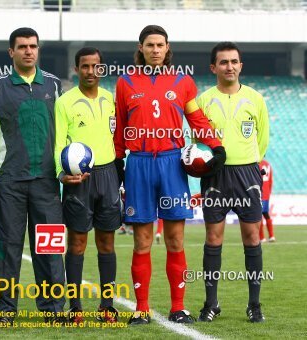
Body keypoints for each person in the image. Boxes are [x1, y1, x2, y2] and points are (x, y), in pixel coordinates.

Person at [113, 25, 226, 325]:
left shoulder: (183, 82)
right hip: (138, 165)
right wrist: (117, 161)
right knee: (142, 241)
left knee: (175, 239)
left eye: (160, 45)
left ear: (167, 47)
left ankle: (179, 307)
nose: (155, 50)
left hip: (172, 164)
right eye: (149, 45)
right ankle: (142, 308)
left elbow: (196, 118)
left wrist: (216, 145)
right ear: (141, 48)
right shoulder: (124, 83)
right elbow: (120, 126)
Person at [0, 27, 66, 325]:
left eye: (33, 46)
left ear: (38, 50)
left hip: (46, 181)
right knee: (6, 247)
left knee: (49, 247)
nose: (28, 51)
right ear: (11, 52)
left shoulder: (55, 86)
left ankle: (54, 310)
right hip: (8, 181)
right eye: (22, 47)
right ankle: (4, 311)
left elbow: (65, 133)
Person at [196, 42, 269, 323]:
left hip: (247, 174)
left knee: (252, 237)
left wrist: (248, 160)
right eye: (223, 62)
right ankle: (211, 304)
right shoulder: (203, 101)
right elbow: (197, 143)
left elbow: (262, 139)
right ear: (213, 67)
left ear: (240, 65)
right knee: (213, 238)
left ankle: (254, 305)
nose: (230, 66)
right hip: (215, 175)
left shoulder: (256, 99)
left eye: (234, 61)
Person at [55, 47, 121, 324]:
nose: (91, 71)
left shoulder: (112, 99)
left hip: (108, 175)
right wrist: (61, 173)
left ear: (101, 69)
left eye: (96, 66)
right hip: (78, 180)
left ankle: (107, 306)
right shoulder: (65, 102)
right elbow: (58, 142)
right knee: (78, 242)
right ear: (76, 69)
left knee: (107, 242)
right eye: (85, 66)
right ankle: (76, 307)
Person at [259, 158, 275, 242]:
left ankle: (262, 238)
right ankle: (271, 236)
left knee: (259, 215)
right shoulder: (268, 164)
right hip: (266, 193)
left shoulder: (257, 164)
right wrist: (269, 193)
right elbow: (271, 180)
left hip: (259, 193)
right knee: (265, 213)